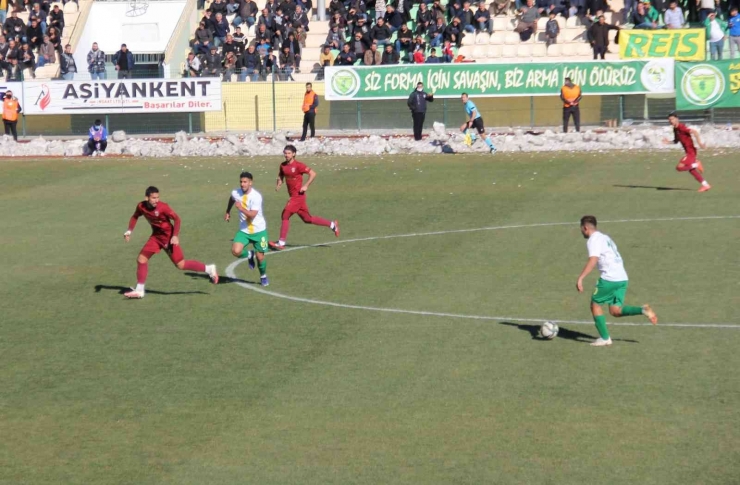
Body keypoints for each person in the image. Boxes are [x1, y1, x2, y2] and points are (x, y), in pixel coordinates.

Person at [576, 215, 658, 347]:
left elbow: (593, 260)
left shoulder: (593, 240)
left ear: (585, 228)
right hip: (622, 278)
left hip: (610, 278)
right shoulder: (605, 237)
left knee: (595, 305)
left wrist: (581, 278)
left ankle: (605, 338)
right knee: (615, 311)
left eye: (581, 229)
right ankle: (643, 310)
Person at [123, 186, 218, 299]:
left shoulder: (163, 207)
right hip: (156, 237)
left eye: (157, 197)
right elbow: (135, 216)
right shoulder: (141, 206)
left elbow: (177, 219)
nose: (156, 200)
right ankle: (139, 290)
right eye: (153, 198)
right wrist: (129, 231)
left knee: (180, 265)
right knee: (141, 259)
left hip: (168, 238)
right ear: (146, 198)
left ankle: (209, 269)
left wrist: (175, 236)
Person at [268, 145, 340, 251]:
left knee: (285, 215)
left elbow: (313, 173)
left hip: (298, 196)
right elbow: (281, 174)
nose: (286, 155)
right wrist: (279, 181)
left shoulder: (299, 166)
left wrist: (306, 185)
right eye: (285, 153)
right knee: (307, 219)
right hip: (294, 197)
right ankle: (332, 225)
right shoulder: (283, 165)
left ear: (294, 154)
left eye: (288, 153)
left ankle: (281, 242)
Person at [225, 172, 270, 287]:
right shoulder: (236, 192)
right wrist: (228, 211)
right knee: (235, 251)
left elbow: (252, 215)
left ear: (251, 182)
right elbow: (232, 198)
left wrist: (240, 208)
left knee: (260, 257)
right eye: (241, 182)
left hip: (259, 231)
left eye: (245, 182)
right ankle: (250, 254)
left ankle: (263, 276)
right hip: (244, 230)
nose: (242, 184)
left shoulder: (256, 197)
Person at [662, 112, 711, 192]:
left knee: (679, 167)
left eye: (672, 119)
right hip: (689, 152)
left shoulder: (681, 127)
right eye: (669, 120)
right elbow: (676, 141)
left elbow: (695, 132)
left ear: (677, 119)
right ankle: (706, 185)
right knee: (691, 170)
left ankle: (696, 164)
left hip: (690, 152)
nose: (671, 121)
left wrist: (700, 143)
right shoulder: (675, 129)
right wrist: (668, 142)